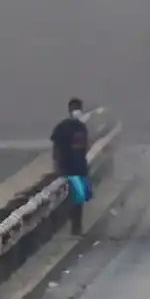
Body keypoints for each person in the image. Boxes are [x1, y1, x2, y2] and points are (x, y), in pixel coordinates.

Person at [51, 98, 93, 232]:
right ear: (70, 110)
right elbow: (56, 147)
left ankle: (76, 228)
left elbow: (85, 147)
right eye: (75, 108)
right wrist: (58, 165)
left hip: (80, 168)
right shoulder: (63, 127)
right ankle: (74, 228)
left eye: (79, 108)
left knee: (80, 199)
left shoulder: (82, 128)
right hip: (67, 169)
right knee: (73, 199)